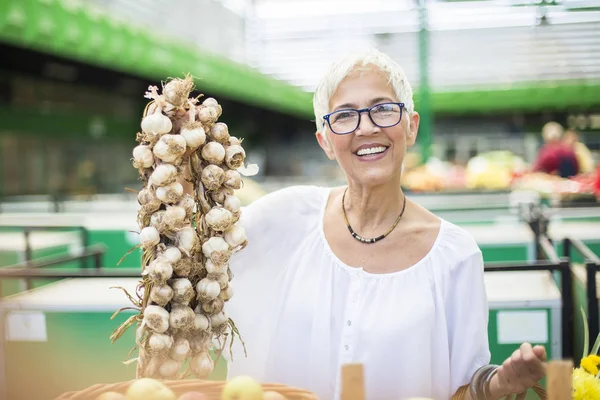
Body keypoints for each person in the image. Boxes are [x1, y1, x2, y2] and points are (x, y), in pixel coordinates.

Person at [223, 48, 546, 400]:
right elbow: (194, 256)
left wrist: (499, 384)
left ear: (411, 127)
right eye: (345, 115)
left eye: (383, 109)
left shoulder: (455, 256)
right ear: (326, 141)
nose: (367, 127)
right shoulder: (284, 217)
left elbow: (462, 390)